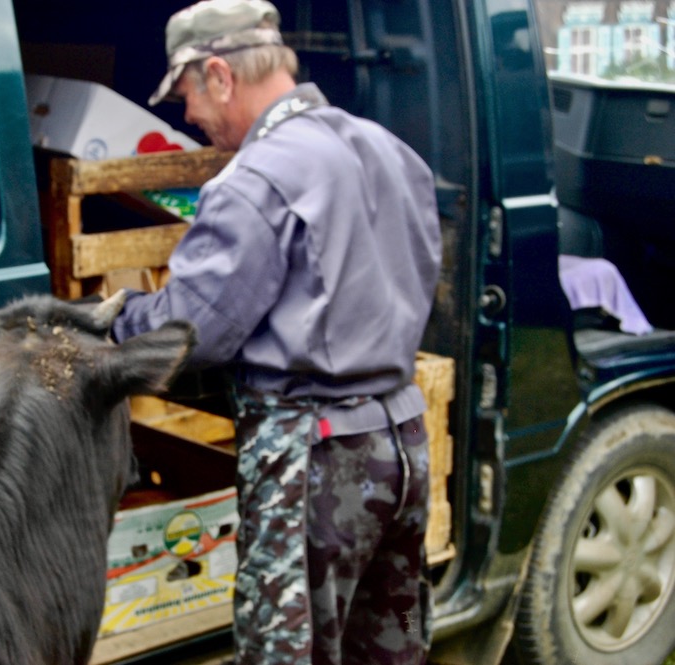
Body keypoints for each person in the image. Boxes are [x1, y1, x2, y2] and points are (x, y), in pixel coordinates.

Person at [109, 1, 442, 663]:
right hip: (402, 441)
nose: (188, 116)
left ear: (219, 76)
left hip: (316, 459)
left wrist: (115, 316)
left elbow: (191, 332)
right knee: (385, 649)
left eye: (186, 95)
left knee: (286, 651)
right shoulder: (390, 151)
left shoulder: (254, 179)